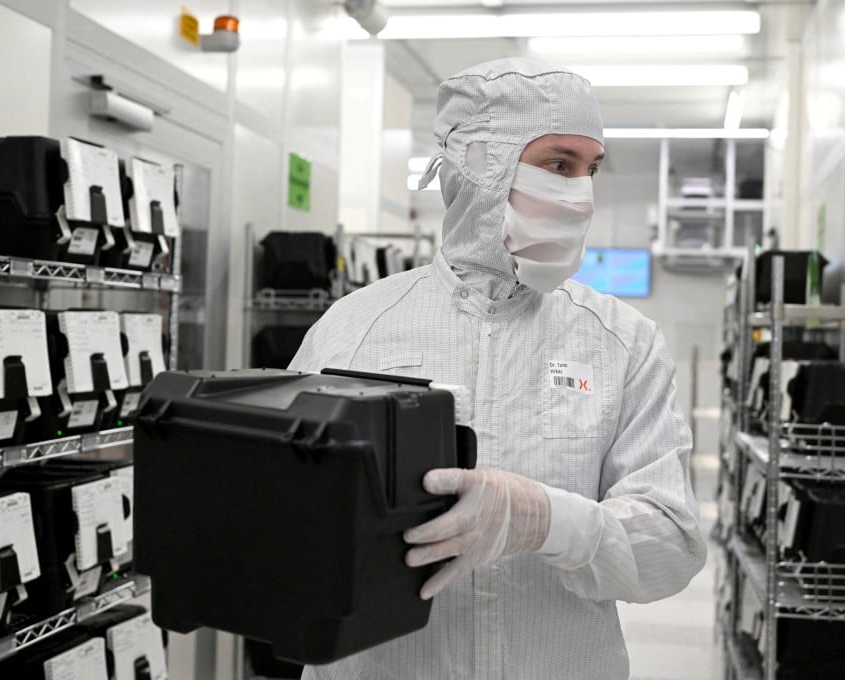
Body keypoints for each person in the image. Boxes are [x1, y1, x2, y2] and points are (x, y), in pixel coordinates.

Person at [288, 57, 706, 680]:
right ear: (481, 166)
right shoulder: (353, 330)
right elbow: (286, 521)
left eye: (591, 169)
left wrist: (545, 519)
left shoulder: (623, 344)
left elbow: (672, 545)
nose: (582, 194)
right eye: (559, 165)